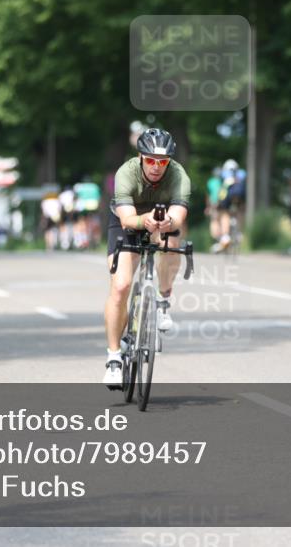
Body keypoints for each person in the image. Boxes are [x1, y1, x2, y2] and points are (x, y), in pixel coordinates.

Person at [103, 128, 190, 387]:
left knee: (172, 242)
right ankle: (114, 358)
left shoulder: (178, 175)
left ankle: (162, 299)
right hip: (127, 220)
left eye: (162, 162)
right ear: (141, 157)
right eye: (150, 160)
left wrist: (166, 222)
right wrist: (146, 220)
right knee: (120, 286)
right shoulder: (126, 173)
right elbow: (128, 219)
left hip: (160, 221)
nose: (156, 167)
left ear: (169, 162)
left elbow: (179, 216)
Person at [212, 159, 246, 253]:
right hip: (240, 194)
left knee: (224, 213)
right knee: (240, 210)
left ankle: (226, 236)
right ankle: (239, 232)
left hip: (228, 195)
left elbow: (220, 188)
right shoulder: (242, 173)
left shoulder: (223, 173)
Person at [206, 167, 223, 242]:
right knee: (221, 219)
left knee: (214, 220)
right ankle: (222, 236)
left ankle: (217, 237)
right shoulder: (222, 181)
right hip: (222, 203)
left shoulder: (210, 182)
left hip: (213, 203)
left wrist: (208, 207)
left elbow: (208, 195)